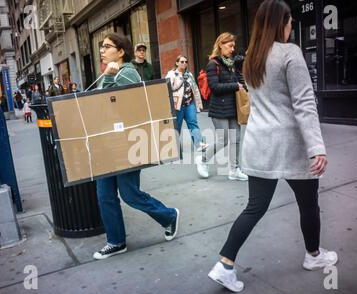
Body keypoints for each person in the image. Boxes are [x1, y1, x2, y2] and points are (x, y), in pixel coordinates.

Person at [207, 0, 337, 293]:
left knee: (254, 207)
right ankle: (313, 255)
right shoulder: (289, 53)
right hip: (290, 144)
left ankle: (224, 264)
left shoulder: (252, 55)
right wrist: (317, 146)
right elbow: (304, 103)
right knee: (308, 203)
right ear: (282, 23)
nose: (292, 27)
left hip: (259, 142)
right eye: (290, 22)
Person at [93, 33, 180, 260]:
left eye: (107, 47)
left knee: (130, 194)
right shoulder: (109, 73)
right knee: (104, 195)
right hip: (105, 143)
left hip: (125, 143)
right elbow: (93, 103)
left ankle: (169, 216)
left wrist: (110, 78)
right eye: (101, 47)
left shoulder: (127, 73)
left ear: (121, 51)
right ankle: (116, 241)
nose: (102, 50)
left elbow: (130, 105)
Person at [195, 32, 248, 182]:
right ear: (221, 45)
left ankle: (234, 170)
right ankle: (203, 159)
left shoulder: (231, 64)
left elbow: (239, 81)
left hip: (233, 107)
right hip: (219, 108)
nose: (232, 49)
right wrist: (235, 86)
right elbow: (214, 87)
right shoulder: (213, 64)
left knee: (236, 139)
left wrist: (243, 84)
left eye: (233, 46)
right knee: (223, 139)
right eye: (230, 46)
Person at [166, 55, 209, 152]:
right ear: (177, 63)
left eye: (186, 61)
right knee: (177, 126)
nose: (184, 63)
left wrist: (198, 103)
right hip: (178, 106)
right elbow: (168, 88)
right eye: (182, 61)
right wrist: (180, 79)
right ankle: (173, 149)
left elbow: (195, 89)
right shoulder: (171, 74)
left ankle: (199, 144)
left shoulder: (189, 75)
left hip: (189, 104)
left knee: (193, 124)